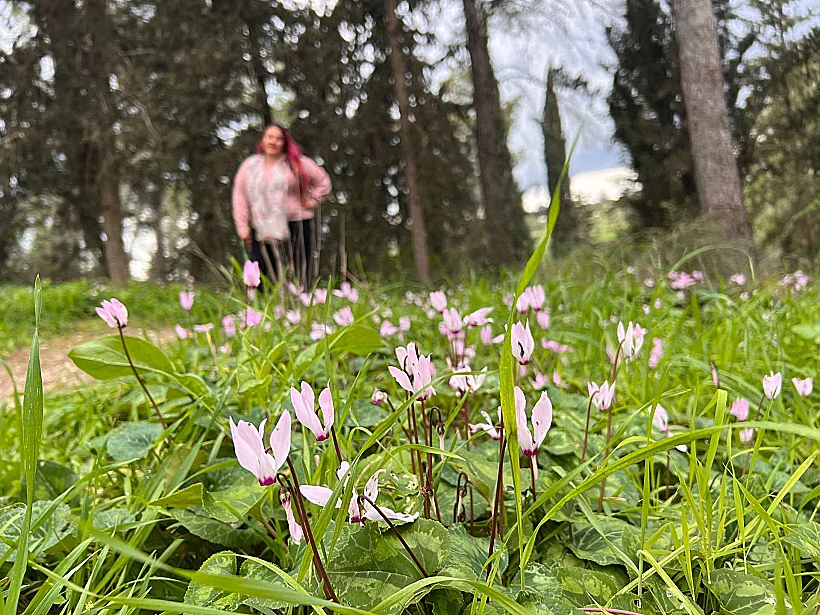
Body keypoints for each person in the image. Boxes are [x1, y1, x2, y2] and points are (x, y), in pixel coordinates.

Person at [232, 124, 331, 288]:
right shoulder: (250, 166)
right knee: (261, 273)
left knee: (299, 273)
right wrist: (242, 226)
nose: (274, 142)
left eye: (278, 138)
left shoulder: (296, 163)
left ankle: (300, 308)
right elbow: (239, 196)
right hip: (262, 226)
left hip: (297, 224)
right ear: (263, 140)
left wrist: (309, 200)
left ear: (284, 142)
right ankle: (263, 310)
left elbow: (323, 182)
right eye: (270, 137)